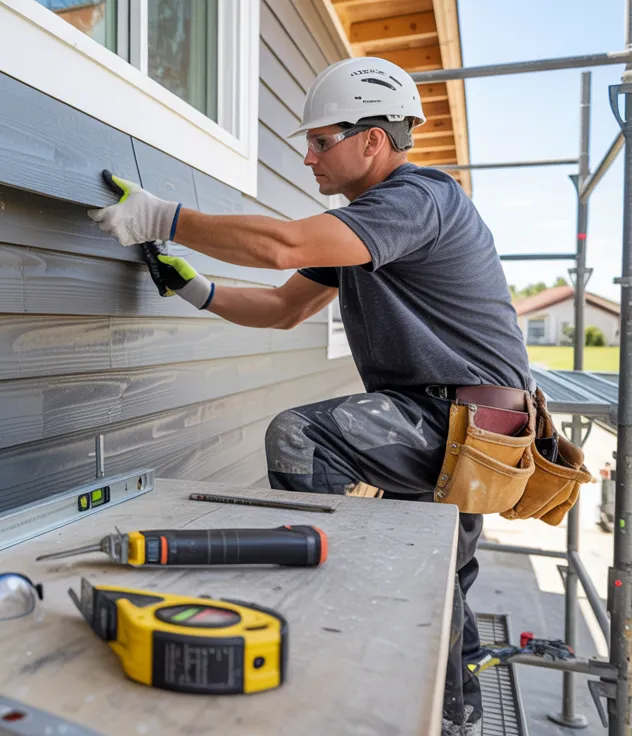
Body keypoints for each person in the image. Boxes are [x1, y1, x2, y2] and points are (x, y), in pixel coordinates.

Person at [86, 57, 534, 736]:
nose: (307, 157)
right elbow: (281, 308)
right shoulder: (366, 228)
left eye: (321, 141)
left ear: (374, 140)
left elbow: (280, 246)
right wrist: (193, 288)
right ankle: (450, 708)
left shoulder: (417, 200)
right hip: (453, 423)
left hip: (463, 421)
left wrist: (161, 216)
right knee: (440, 570)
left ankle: (333, 611)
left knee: (303, 436)